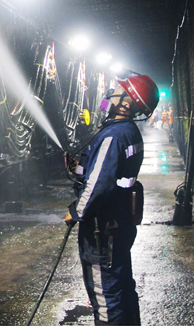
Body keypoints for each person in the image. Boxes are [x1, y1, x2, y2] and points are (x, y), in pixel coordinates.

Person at [65, 74, 159, 325]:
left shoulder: (113, 136)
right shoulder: (128, 133)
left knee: (106, 296)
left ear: (125, 105)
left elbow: (99, 184)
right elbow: (107, 171)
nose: (110, 92)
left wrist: (76, 211)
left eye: (118, 90)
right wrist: (78, 168)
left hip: (102, 231)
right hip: (119, 224)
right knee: (122, 288)